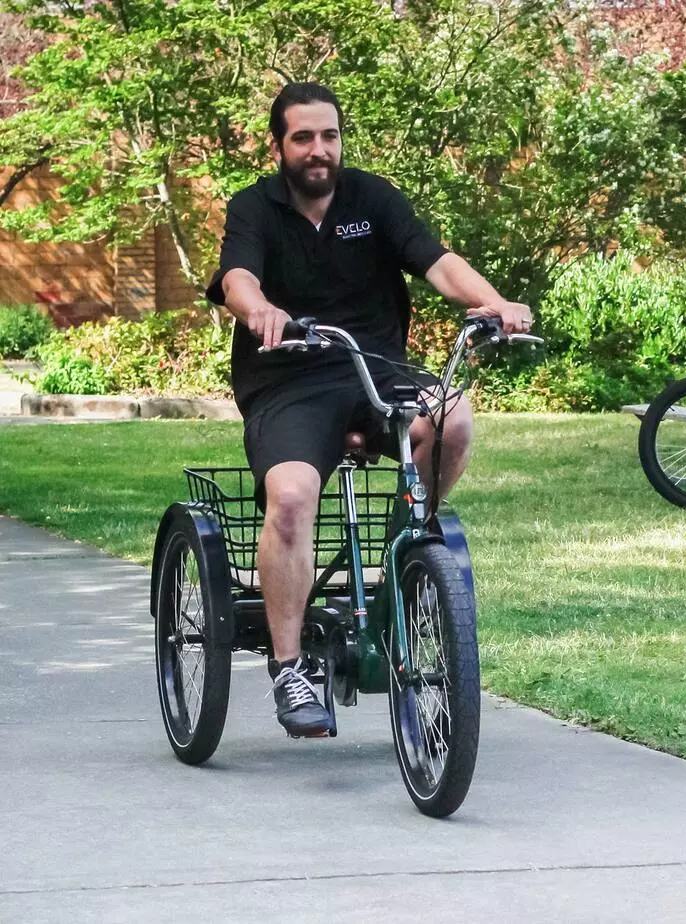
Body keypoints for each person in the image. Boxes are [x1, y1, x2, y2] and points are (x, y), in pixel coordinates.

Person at [205, 82, 533, 738]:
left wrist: (494, 302)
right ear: (280, 147)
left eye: (329, 136)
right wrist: (259, 309)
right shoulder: (255, 209)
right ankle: (291, 668)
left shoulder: (372, 198)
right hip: (288, 380)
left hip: (374, 369)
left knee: (454, 417)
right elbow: (237, 278)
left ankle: (404, 560)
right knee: (293, 499)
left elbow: (438, 265)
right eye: (303, 138)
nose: (318, 150)